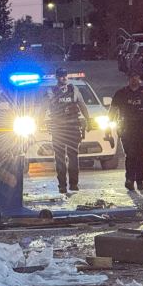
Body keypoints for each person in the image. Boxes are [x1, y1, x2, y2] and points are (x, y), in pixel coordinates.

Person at [109, 72, 143, 191]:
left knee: (141, 155)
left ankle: (140, 181)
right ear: (128, 79)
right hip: (126, 128)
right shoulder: (121, 93)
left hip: (142, 129)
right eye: (131, 77)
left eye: (136, 77)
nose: (134, 80)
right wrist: (109, 127)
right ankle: (129, 180)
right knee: (130, 154)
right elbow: (112, 111)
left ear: (139, 79)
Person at [47, 66, 90, 194]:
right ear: (57, 77)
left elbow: (82, 105)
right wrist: (38, 122)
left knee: (73, 157)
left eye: (65, 75)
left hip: (73, 128)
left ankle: (73, 184)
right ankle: (62, 185)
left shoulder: (74, 89)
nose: (63, 78)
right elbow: (43, 107)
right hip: (58, 129)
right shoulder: (51, 91)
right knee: (59, 158)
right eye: (61, 76)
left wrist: (88, 120)